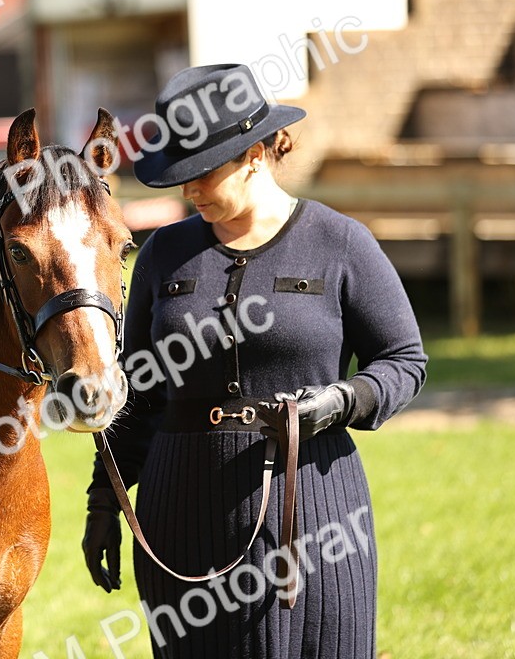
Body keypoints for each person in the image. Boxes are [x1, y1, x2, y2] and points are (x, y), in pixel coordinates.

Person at [82, 64, 427, 657]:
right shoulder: (164, 253)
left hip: (317, 515)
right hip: (180, 519)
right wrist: (103, 503)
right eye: (179, 177)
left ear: (255, 154)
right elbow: (138, 396)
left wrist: (342, 401)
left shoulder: (340, 243)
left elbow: (404, 361)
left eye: (201, 173)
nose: (188, 191)